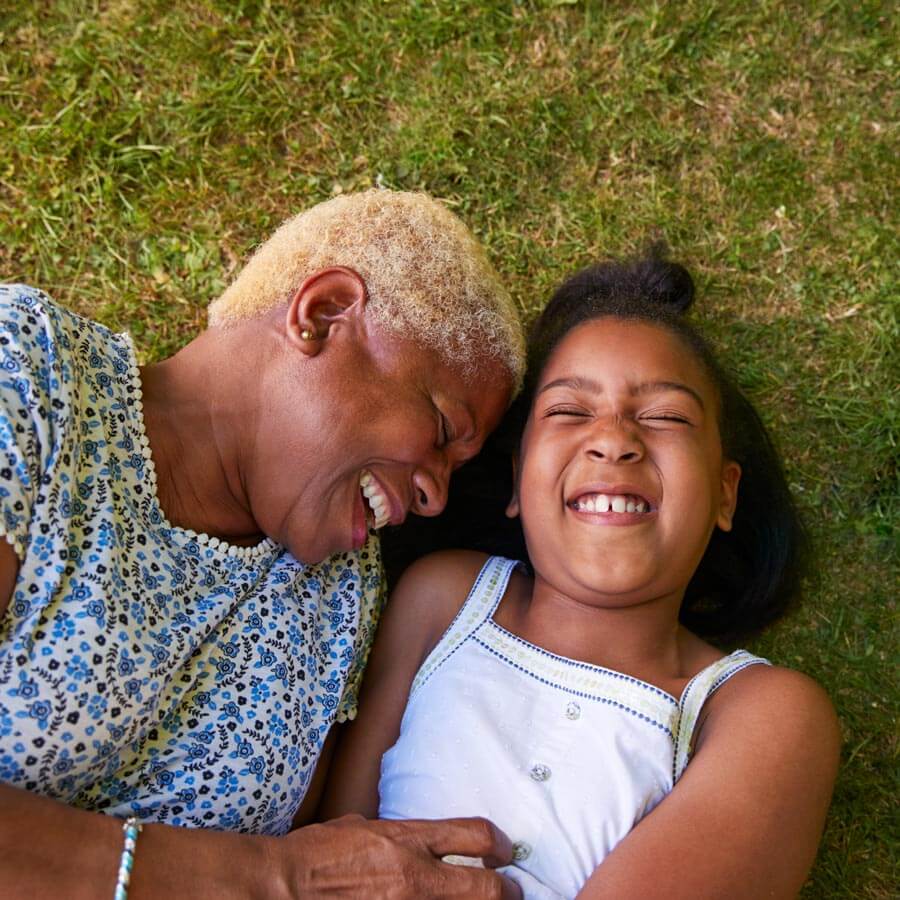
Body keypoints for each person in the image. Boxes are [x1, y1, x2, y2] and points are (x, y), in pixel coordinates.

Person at [0, 189, 528, 898]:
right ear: (324, 313)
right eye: (439, 430)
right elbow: (296, 872)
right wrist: (273, 876)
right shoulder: (32, 376)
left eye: (454, 474)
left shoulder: (340, 600)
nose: (435, 494)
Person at [322, 251, 841, 899]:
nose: (614, 440)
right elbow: (334, 849)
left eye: (666, 416)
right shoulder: (444, 598)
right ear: (516, 480)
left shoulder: (756, 713)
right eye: (570, 412)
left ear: (725, 496)